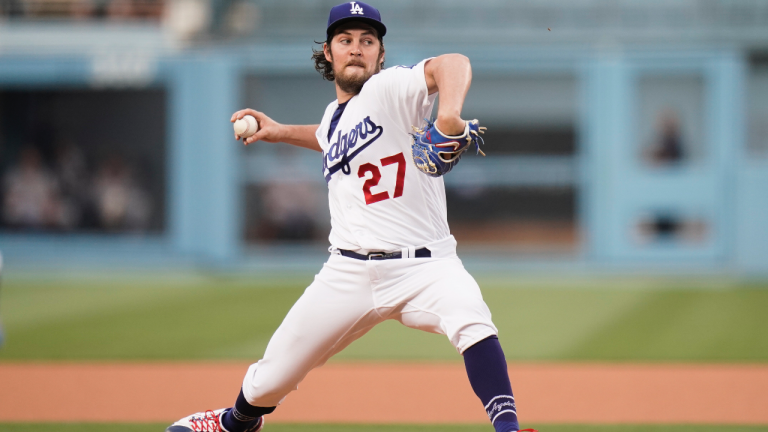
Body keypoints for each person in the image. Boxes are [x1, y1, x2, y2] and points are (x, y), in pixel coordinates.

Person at [167, 3, 534, 432]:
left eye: (367, 41)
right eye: (345, 40)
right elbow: (329, 138)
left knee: (472, 319)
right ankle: (235, 423)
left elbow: (454, 63)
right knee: (270, 377)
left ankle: (507, 428)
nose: (356, 49)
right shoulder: (333, 118)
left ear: (380, 54)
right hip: (348, 271)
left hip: (426, 265)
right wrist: (281, 130)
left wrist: (448, 115)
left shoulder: (391, 88)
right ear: (328, 53)